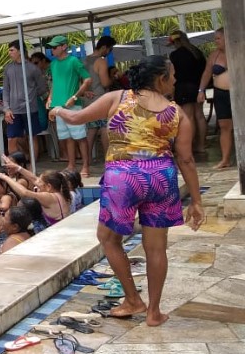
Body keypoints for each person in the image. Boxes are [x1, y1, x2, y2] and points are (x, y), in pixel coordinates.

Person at [52, 54, 204, 325]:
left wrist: (58, 110)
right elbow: (186, 159)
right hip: (161, 178)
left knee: (109, 238)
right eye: (173, 75)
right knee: (156, 248)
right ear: (161, 79)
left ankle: (133, 299)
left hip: (123, 178)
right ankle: (154, 312)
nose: (176, 79)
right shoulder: (177, 113)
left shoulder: (118, 98)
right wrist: (196, 201)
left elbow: (75, 118)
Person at [46, 35, 92, 177]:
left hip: (73, 106)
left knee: (80, 137)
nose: (52, 50)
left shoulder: (74, 61)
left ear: (64, 46)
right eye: (51, 48)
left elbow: (88, 79)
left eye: (54, 47)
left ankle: (85, 166)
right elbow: (54, 83)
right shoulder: (53, 64)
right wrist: (50, 98)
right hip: (58, 106)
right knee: (67, 138)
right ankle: (71, 165)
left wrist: (75, 97)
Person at [2, 40, 48, 160]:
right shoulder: (8, 69)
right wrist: (6, 109)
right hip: (13, 111)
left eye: (12, 50)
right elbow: (5, 90)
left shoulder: (33, 68)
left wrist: (31, 95)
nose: (9, 53)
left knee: (32, 136)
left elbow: (42, 87)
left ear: (20, 51)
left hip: (30, 109)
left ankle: (33, 165)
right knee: (11, 138)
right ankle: (14, 165)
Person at [198, 27, 234, 169]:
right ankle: (225, 159)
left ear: (227, 37)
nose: (216, 41)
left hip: (238, 94)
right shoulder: (214, 55)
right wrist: (201, 90)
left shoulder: (239, 49)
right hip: (220, 94)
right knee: (224, 126)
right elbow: (207, 73)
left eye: (218, 38)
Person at [168, 30, 207, 156]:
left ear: (176, 42)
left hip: (184, 87)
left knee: (188, 117)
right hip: (198, 86)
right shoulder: (196, 52)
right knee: (199, 115)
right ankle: (201, 145)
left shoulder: (175, 55)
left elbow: (174, 74)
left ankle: (190, 146)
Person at [0, 165, 71, 226]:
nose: (36, 183)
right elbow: (34, 179)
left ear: (49, 186)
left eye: (40, 182)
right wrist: (18, 168)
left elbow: (25, 193)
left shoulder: (49, 197)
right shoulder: (61, 192)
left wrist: (5, 178)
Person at [83, 36, 115, 163]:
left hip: (87, 100)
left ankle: (88, 159)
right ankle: (108, 158)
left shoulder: (83, 60)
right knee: (104, 128)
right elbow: (105, 83)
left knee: (91, 130)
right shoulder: (101, 62)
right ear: (104, 47)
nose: (109, 52)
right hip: (100, 99)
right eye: (110, 49)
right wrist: (113, 78)